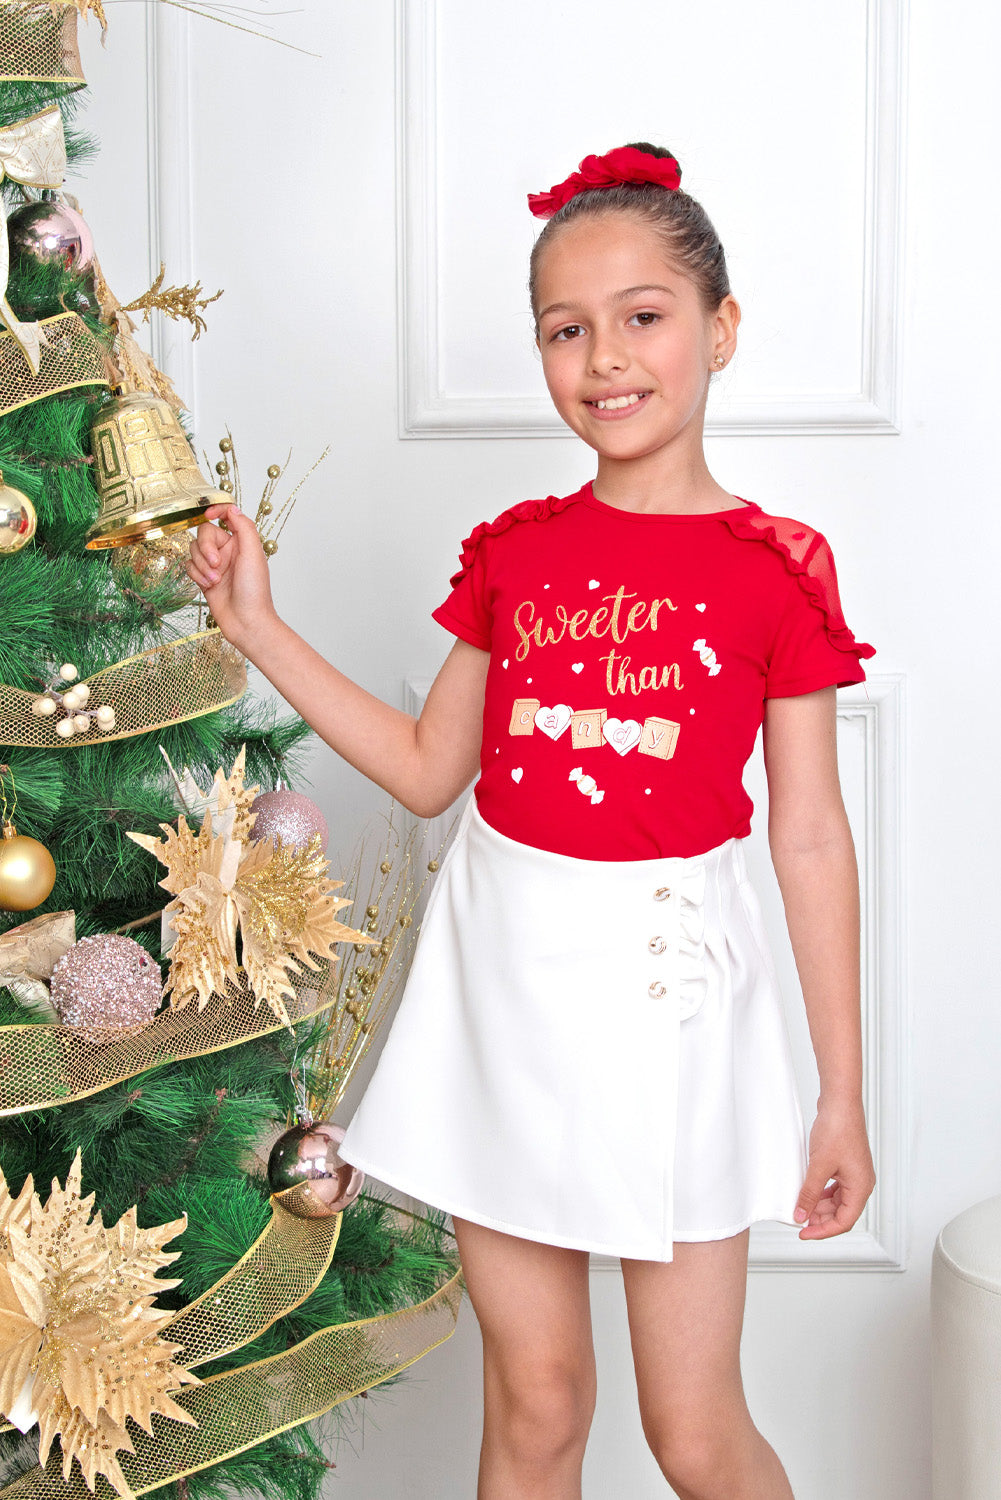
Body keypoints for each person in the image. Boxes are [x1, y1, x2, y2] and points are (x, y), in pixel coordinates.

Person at [187, 142, 877, 1500]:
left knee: (692, 1432)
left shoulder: (776, 569)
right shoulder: (518, 553)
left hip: (678, 1011)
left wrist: (839, 1095)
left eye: (643, 316)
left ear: (720, 328)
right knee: (540, 1407)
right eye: (566, 329)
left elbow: (807, 838)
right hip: (504, 999)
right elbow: (426, 769)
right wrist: (255, 625)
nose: (604, 358)